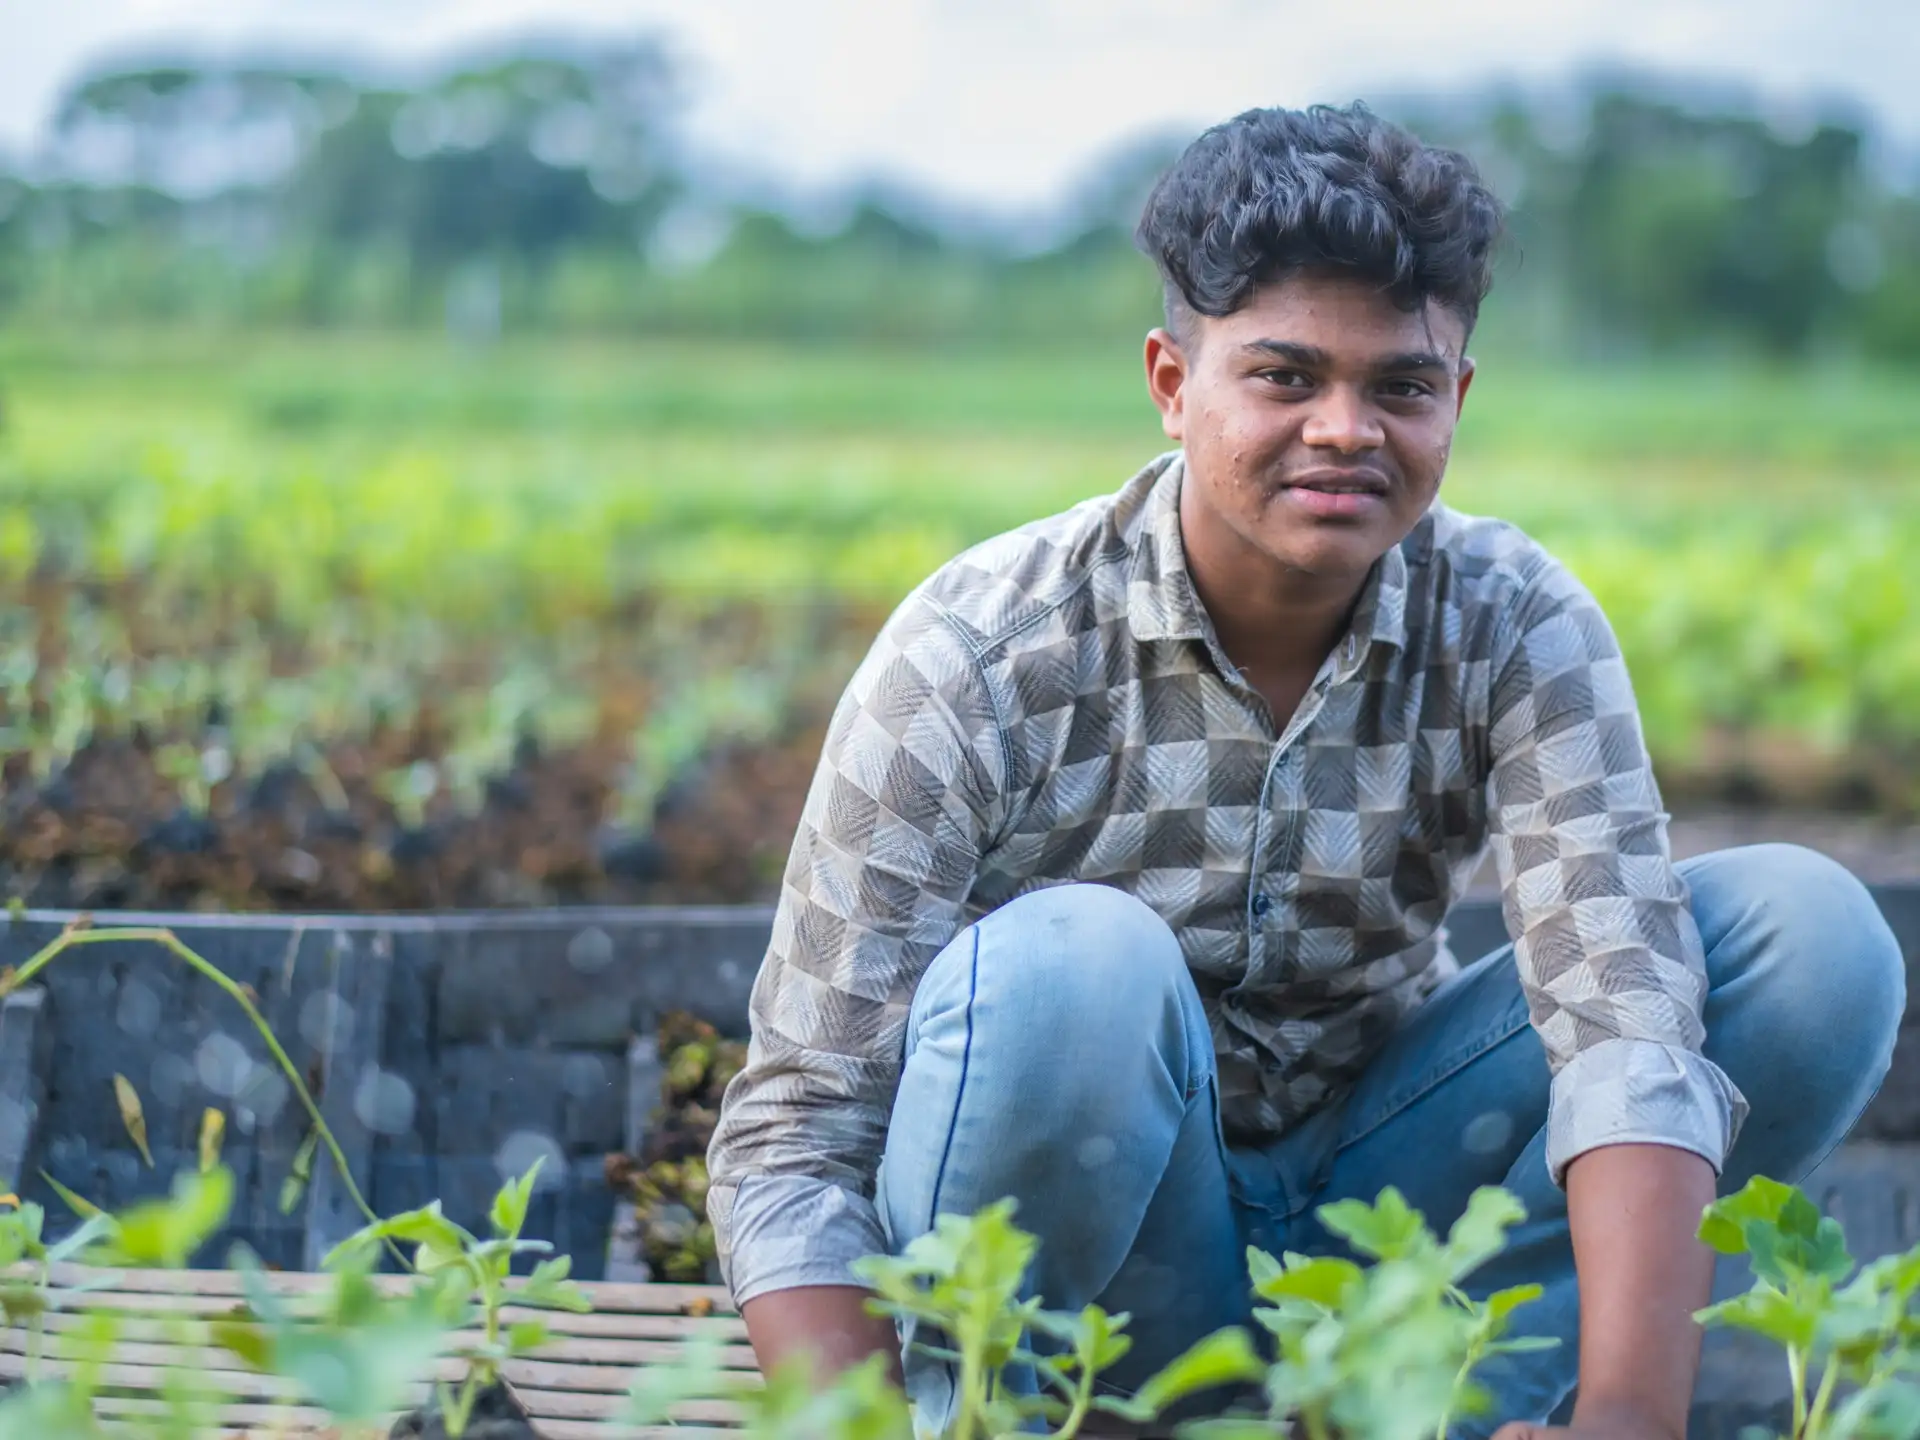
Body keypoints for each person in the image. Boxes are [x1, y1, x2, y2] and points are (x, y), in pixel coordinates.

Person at [704, 101, 1905, 1439]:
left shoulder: (1511, 620)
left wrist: (1631, 1416)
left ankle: (1439, 1408)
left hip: (1381, 1218)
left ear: (1456, 398)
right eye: (1283, 377)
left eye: (1400, 386)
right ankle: (1021, 1416)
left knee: (1810, 942)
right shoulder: (981, 651)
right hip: (1099, 1257)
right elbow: (795, 1133)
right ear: (1171, 384)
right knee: (1073, 972)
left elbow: (1620, 1018)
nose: (1345, 429)